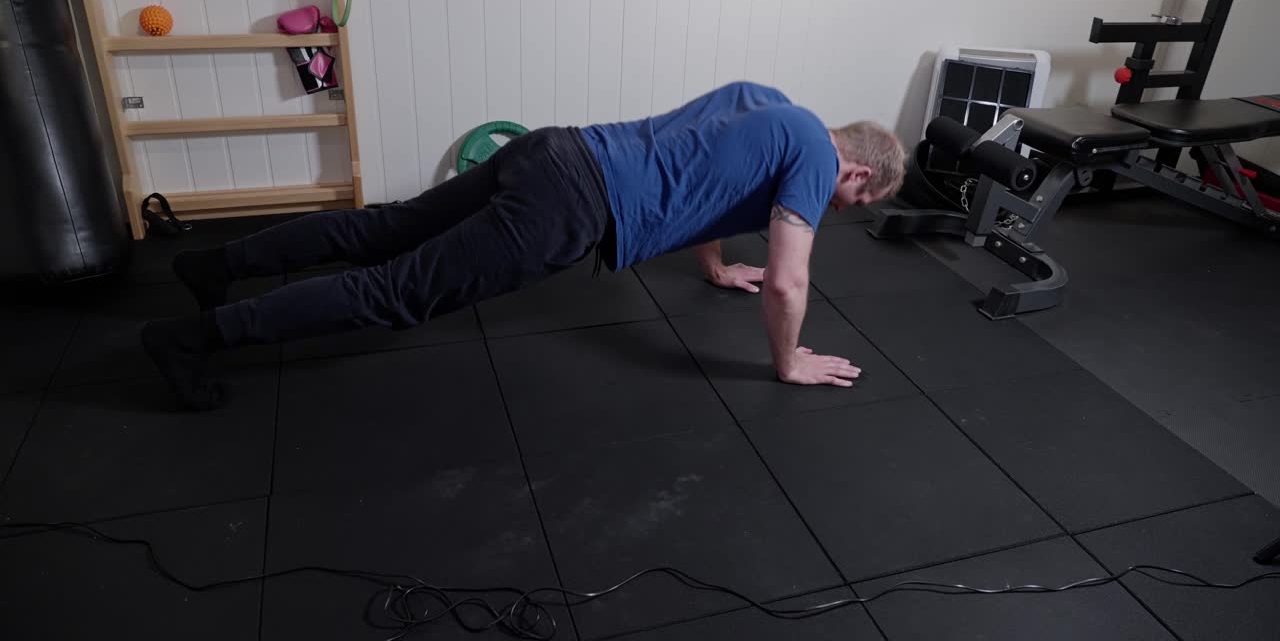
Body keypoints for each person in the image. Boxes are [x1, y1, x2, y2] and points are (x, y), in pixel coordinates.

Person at [141, 81, 906, 409]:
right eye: (853, 200)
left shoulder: (768, 102)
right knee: (395, 291)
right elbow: (788, 284)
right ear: (856, 171)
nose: (841, 207)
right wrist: (787, 360)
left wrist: (711, 264)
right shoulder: (813, 156)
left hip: (557, 149)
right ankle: (193, 339)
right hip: (570, 204)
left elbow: (693, 169)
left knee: (385, 227)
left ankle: (213, 266)